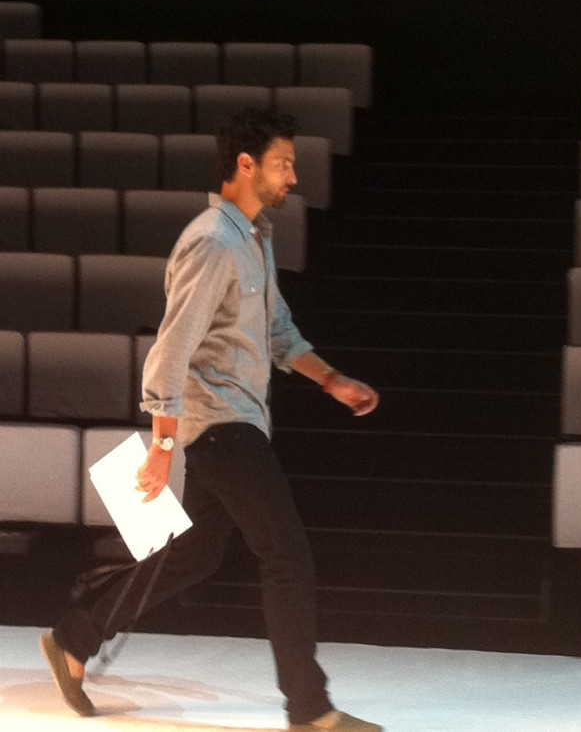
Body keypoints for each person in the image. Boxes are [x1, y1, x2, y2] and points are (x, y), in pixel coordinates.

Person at [40, 108, 383, 732]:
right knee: (287, 555)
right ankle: (309, 708)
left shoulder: (254, 238)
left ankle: (74, 638)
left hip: (235, 421)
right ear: (246, 165)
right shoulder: (213, 241)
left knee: (195, 555)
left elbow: (277, 333)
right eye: (284, 164)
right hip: (221, 424)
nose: (293, 177)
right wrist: (162, 444)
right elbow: (171, 349)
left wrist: (332, 380)